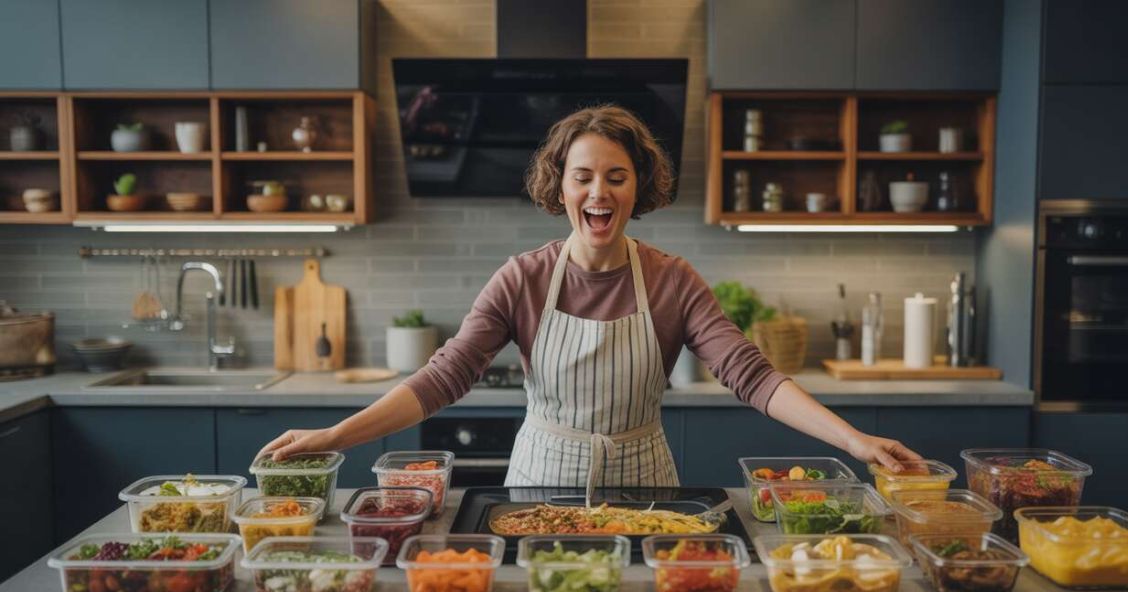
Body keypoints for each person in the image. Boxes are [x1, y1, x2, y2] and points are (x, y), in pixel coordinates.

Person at [257, 105, 920, 487]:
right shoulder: (522, 278)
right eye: (583, 177)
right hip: (538, 482)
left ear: (638, 186)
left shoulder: (673, 280)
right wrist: (336, 435)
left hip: (648, 488)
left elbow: (753, 376)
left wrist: (854, 440)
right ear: (561, 186)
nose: (599, 192)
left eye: (616, 177)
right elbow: (442, 377)